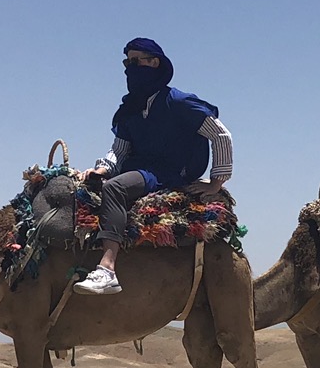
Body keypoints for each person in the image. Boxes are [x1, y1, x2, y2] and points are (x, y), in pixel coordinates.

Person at [74, 38, 233, 296]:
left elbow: (220, 134)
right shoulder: (130, 109)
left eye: (136, 61)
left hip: (170, 172)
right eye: (127, 62)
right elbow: (120, 150)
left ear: (154, 63)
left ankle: (107, 269)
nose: (130, 68)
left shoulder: (179, 103)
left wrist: (217, 180)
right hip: (140, 168)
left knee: (114, 189)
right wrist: (102, 169)